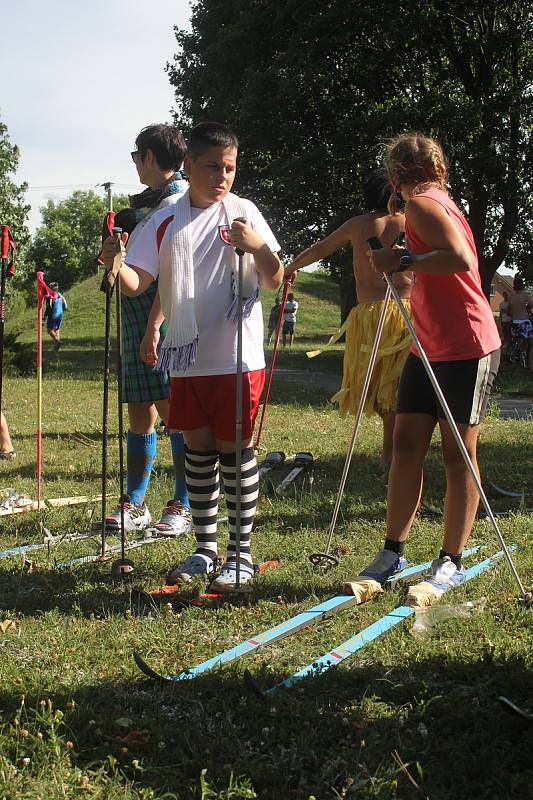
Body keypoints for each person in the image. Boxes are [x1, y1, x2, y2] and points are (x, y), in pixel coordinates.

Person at [101, 121, 283, 592]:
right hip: (187, 360)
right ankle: (206, 548)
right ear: (189, 166)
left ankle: (240, 552)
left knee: (237, 455)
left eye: (229, 168)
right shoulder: (163, 219)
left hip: (237, 360)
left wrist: (257, 246)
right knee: (199, 454)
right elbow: (138, 282)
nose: (221, 177)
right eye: (212, 167)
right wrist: (115, 263)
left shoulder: (243, 214)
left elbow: (275, 276)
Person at [361, 132, 501, 608]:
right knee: (406, 443)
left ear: (396, 174)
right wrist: (398, 254)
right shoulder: (431, 202)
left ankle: (450, 560)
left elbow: (461, 260)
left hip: (466, 345)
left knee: (457, 453)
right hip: (428, 347)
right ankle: (393, 551)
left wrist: (403, 259)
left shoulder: (424, 204)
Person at [284, 171, 412, 466]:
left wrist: (290, 267)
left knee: (385, 388)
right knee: (393, 388)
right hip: (405, 314)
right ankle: (392, 449)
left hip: (375, 314)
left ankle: (391, 452)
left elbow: (319, 249)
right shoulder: (410, 222)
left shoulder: (359, 224)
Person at [102, 123, 192, 536]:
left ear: (149, 157)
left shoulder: (178, 202)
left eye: (137, 158)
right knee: (141, 409)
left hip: (166, 315)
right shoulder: (144, 206)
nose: (136, 166)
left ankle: (182, 504)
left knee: (177, 413)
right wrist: (112, 260)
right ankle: (135, 501)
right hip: (135, 313)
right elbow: (133, 270)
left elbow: (173, 272)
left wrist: (154, 326)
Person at [44, 282, 68, 350]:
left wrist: (45, 315)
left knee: (49, 330)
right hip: (60, 315)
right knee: (57, 330)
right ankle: (56, 347)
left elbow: (49, 307)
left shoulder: (50, 297)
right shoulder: (59, 294)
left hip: (52, 315)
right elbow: (64, 300)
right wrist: (65, 307)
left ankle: (57, 340)